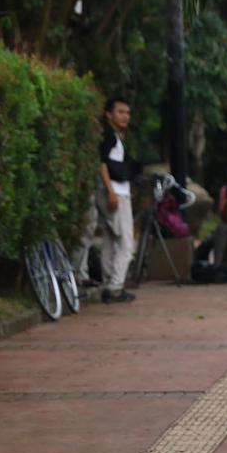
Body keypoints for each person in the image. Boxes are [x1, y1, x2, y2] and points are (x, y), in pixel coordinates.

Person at [90, 96, 139, 303]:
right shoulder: (109, 136)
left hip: (112, 191)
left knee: (111, 240)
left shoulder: (115, 136)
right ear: (108, 114)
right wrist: (111, 190)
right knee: (127, 242)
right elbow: (101, 164)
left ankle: (109, 283)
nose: (125, 116)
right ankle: (115, 285)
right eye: (120, 112)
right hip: (115, 193)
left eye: (127, 112)